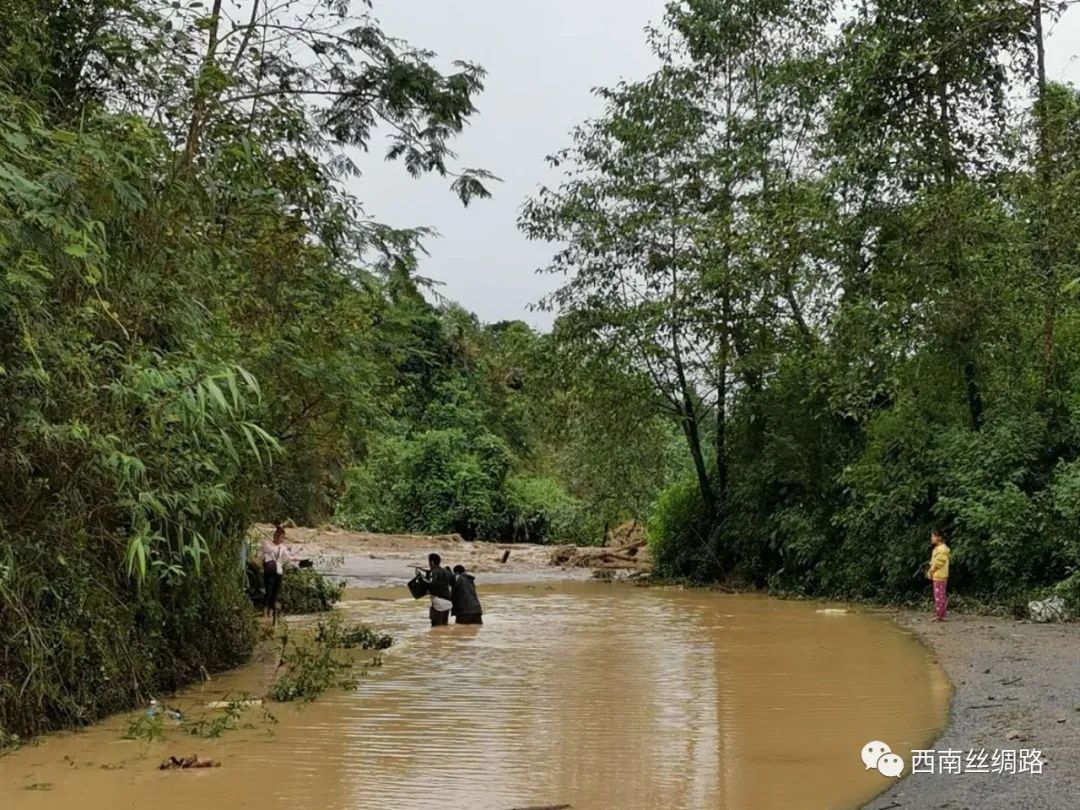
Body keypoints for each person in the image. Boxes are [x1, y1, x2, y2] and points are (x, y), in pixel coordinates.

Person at [262, 524, 295, 621]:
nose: (282, 540)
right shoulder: (267, 544)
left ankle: (271, 612)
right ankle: (265, 611)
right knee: (268, 590)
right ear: (276, 536)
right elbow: (264, 554)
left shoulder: (283, 547)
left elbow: (289, 557)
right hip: (269, 571)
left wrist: (299, 560)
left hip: (278, 572)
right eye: (281, 537)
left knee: (275, 592)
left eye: (283, 538)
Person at [422, 553, 454, 627]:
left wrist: (423, 579)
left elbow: (431, 583)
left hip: (438, 601)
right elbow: (453, 584)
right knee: (444, 625)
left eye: (429, 562)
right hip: (448, 602)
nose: (429, 564)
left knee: (436, 626)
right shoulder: (447, 572)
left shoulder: (434, 572)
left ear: (432, 562)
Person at [926, 529, 950, 621]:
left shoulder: (942, 549)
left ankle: (940, 615)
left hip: (940, 575)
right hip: (938, 575)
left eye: (933, 536)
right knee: (940, 595)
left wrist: (930, 571)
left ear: (939, 537)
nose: (932, 538)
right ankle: (940, 614)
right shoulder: (939, 548)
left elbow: (937, 563)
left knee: (939, 596)